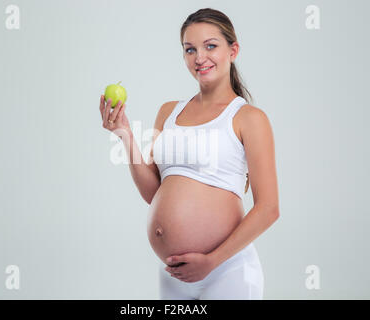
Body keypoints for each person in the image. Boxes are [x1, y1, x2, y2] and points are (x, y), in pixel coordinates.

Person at [99, 8, 279, 300]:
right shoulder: (168, 112)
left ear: (233, 50)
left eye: (211, 46)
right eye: (190, 49)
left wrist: (212, 261)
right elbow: (153, 193)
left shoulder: (249, 118)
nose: (199, 57)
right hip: (174, 276)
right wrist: (124, 133)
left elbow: (269, 208)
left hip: (227, 270)